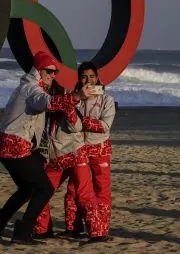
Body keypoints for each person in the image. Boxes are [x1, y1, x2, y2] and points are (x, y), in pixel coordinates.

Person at [0, 51, 79, 244]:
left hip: (8, 146)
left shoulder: (28, 86)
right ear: (39, 70)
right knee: (45, 188)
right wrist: (77, 96)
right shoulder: (32, 89)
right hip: (15, 146)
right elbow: (48, 103)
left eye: (55, 72)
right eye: (50, 71)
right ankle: (23, 232)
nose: (53, 75)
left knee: (27, 189)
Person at [33, 79, 104, 241]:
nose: (48, 97)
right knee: (41, 193)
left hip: (75, 154)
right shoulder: (45, 111)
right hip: (56, 158)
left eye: (50, 94)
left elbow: (76, 126)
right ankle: (43, 230)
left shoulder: (67, 105)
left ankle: (97, 233)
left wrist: (67, 106)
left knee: (84, 194)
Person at [64, 61, 116, 242]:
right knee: (74, 189)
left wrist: (82, 121)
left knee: (102, 190)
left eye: (92, 76)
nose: (89, 80)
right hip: (78, 147)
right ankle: (73, 227)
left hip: (100, 148)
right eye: (84, 77)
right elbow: (69, 124)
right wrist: (78, 98)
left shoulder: (107, 99)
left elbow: (105, 126)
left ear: (97, 77)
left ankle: (101, 229)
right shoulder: (74, 98)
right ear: (79, 78)